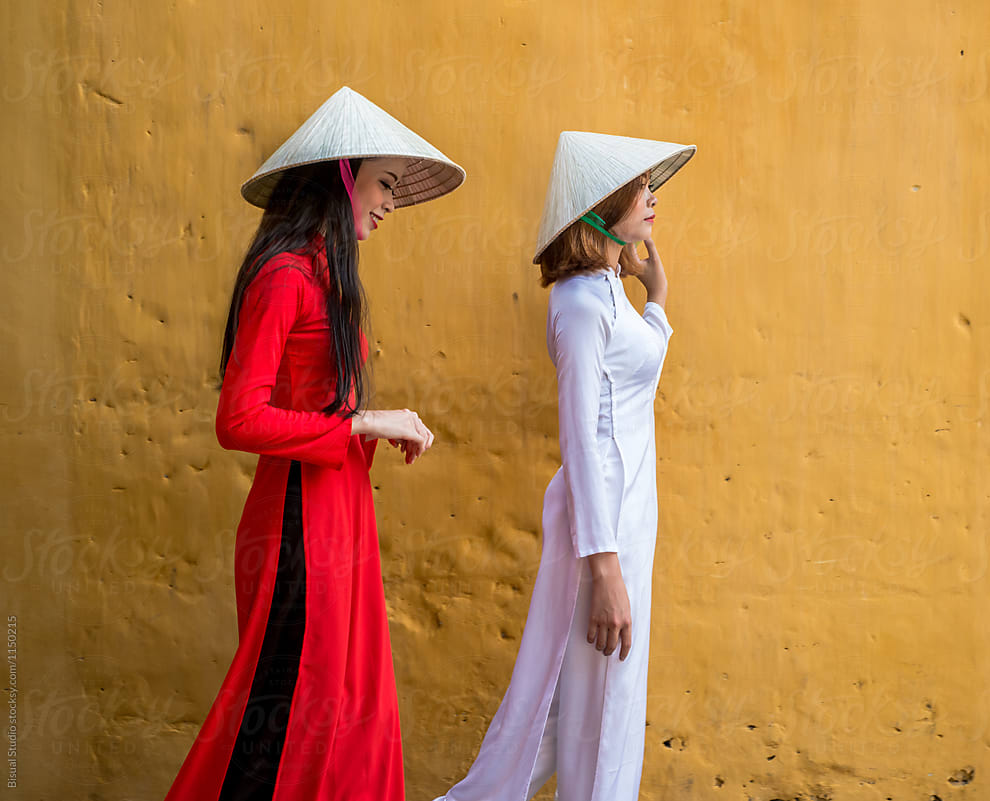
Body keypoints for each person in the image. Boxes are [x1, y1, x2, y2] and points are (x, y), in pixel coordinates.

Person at [163, 86, 464, 801]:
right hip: (298, 524)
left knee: (352, 710)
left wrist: (362, 426)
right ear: (340, 176)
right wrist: (361, 423)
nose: (390, 202)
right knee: (286, 712)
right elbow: (238, 419)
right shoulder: (285, 276)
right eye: (383, 183)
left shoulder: (330, 279)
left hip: (342, 512)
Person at [434, 131, 695, 801]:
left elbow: (638, 374)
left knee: (595, 704)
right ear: (604, 203)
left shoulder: (610, 290)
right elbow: (579, 437)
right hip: (601, 526)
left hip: (629, 519)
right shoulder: (580, 303)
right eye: (641, 187)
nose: (652, 195)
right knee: (601, 707)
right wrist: (604, 568)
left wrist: (657, 297)